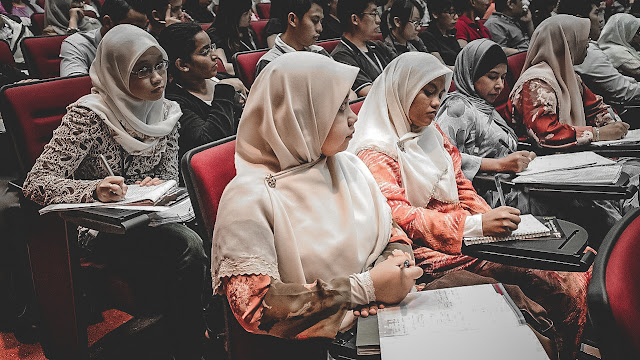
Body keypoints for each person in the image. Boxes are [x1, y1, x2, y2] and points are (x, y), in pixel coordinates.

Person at [348, 51, 591, 359]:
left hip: (467, 234)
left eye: (441, 93)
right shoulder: (375, 150)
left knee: (574, 264)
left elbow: (460, 181)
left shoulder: (429, 131)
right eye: (428, 92)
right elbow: (399, 216)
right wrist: (473, 227)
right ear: (402, 91)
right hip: (426, 250)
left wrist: (487, 218)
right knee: (561, 281)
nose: (437, 103)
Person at [21, 24, 208, 360]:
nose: (158, 79)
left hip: (147, 216)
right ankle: (189, 346)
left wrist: (157, 184)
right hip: (98, 226)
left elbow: (166, 173)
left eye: (160, 65)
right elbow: (37, 182)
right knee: (189, 246)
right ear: (117, 72)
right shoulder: (89, 115)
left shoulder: (166, 112)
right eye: (143, 70)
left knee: (214, 225)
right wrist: (94, 188)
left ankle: (196, 331)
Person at [211, 51, 422, 346]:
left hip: (379, 315)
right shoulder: (247, 198)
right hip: (314, 344)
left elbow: (391, 231)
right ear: (298, 115)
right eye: (340, 108)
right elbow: (256, 307)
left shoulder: (348, 165)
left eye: (350, 103)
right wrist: (365, 289)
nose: (354, 116)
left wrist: (393, 271)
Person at [435, 39, 535, 202]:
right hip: (482, 198)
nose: (500, 85)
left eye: (503, 78)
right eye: (492, 77)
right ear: (471, 73)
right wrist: (501, 164)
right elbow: (443, 158)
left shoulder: (481, 104)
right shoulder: (458, 108)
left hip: (504, 188)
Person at [510, 15, 629, 149]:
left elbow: (596, 108)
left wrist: (614, 125)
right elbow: (545, 134)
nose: (588, 44)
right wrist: (596, 133)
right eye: (584, 39)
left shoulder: (569, 76)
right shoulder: (536, 83)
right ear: (566, 43)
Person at [159, 22, 240, 162]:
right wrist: (224, 92)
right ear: (183, 65)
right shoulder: (174, 103)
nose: (214, 56)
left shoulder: (221, 79)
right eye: (205, 52)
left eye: (212, 47)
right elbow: (210, 142)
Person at [558, 0, 640, 115]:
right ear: (580, 20)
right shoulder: (586, 51)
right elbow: (624, 92)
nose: (601, 19)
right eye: (597, 13)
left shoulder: (568, 44)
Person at [60, 0, 148, 77]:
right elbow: (76, 86)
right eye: (134, 29)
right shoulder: (77, 45)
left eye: (144, 29)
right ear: (108, 22)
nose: (141, 35)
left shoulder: (143, 42)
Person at [331, 0, 395, 97]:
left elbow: (405, 72)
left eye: (377, 13)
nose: (378, 20)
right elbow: (371, 93)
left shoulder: (379, 46)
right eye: (373, 14)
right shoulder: (341, 56)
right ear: (355, 19)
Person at [255, 0, 329, 76]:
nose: (320, 28)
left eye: (321, 21)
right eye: (315, 20)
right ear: (292, 20)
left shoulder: (319, 52)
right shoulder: (270, 63)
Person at [206, 0, 258, 75]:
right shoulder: (214, 36)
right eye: (246, 13)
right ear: (233, 16)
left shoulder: (247, 30)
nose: (251, 15)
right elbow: (224, 67)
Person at [598, 13, 640, 81]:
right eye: (636, 32)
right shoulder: (616, 52)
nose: (636, 36)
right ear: (624, 32)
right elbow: (637, 68)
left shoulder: (612, 46)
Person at [419, 0, 461, 66]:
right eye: (451, 12)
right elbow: (440, 66)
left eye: (456, 12)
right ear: (435, 14)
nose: (456, 17)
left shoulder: (450, 34)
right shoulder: (427, 36)